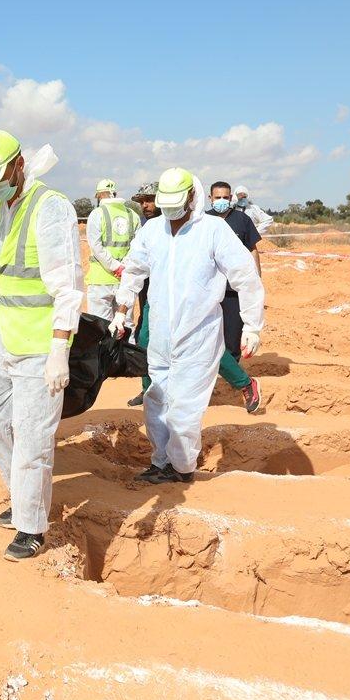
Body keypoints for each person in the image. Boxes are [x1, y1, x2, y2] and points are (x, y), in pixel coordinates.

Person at [0, 129, 83, 561]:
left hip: (40, 343)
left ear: (18, 165)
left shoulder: (50, 208)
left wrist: (59, 348)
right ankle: (24, 494)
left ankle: (31, 526)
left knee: (33, 439)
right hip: (2, 336)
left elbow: (67, 287)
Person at [110, 168, 265, 484]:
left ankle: (181, 468)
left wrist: (252, 325)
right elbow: (133, 272)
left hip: (199, 336)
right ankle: (161, 461)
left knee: (184, 409)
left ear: (192, 197)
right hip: (161, 335)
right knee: (156, 400)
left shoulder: (212, 231)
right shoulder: (153, 231)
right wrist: (121, 312)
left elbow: (245, 275)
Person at [206, 181, 263, 412]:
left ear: (230, 198)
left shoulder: (242, 220)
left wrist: (257, 278)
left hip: (234, 291)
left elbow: (252, 249)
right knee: (208, 338)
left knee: (231, 339)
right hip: (211, 290)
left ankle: (233, 377)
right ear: (210, 198)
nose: (221, 201)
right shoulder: (204, 221)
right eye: (217, 197)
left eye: (225, 197)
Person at [85, 179, 136, 320]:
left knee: (100, 326)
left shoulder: (97, 214)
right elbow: (137, 247)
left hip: (100, 278)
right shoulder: (133, 215)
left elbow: (96, 246)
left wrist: (115, 267)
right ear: (115, 193)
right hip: (125, 278)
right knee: (125, 325)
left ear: (99, 195)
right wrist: (122, 267)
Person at [127, 185, 159, 407]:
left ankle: (244, 383)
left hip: (178, 299)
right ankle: (147, 389)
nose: (144, 205)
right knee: (145, 341)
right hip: (149, 296)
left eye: (149, 200)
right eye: (142, 201)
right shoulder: (145, 228)